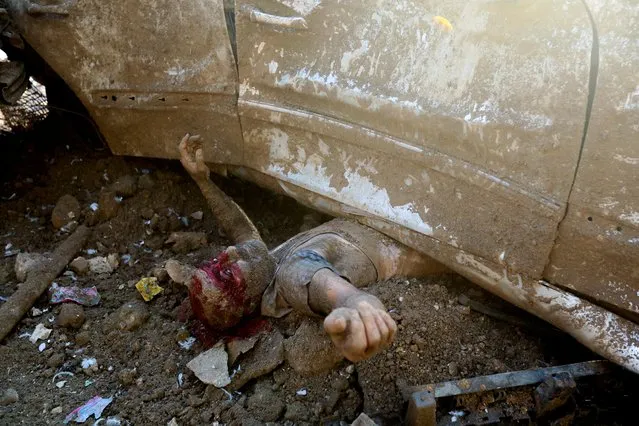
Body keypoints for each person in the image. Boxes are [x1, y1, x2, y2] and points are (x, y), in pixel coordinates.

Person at [175, 134, 443, 362]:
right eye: (227, 271)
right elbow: (330, 289)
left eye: (216, 261)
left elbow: (240, 229)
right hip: (417, 229)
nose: (230, 253)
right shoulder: (290, 275)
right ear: (248, 302)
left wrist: (203, 181)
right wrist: (357, 307)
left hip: (387, 214)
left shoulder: (263, 268)